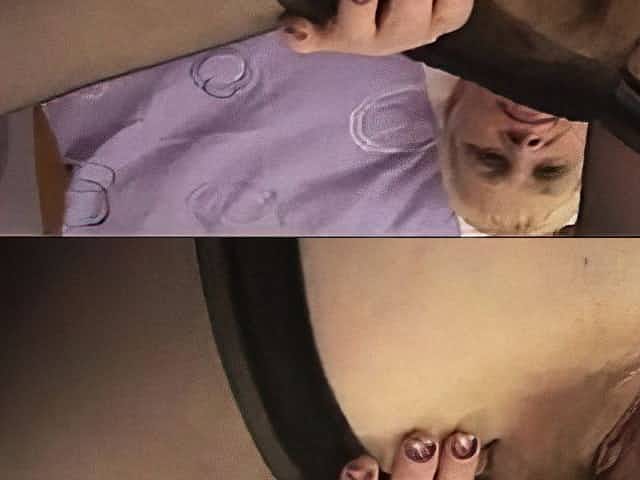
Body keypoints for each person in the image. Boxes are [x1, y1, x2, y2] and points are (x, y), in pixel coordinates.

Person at [282, 0, 587, 234]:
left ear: (451, 115)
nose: (525, 148)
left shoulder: (411, 27)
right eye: (550, 170)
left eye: (491, 158)